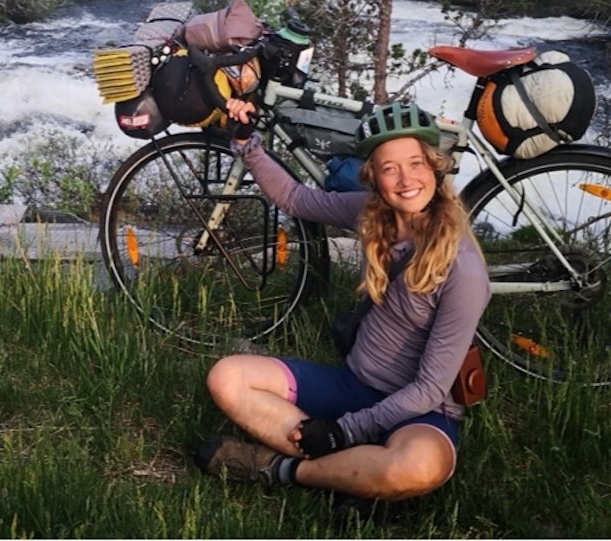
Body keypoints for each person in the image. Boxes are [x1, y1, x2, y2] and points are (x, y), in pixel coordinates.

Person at [194, 98, 491, 510]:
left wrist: (343, 431)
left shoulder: (464, 270)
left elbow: (430, 388)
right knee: (227, 377)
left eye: (416, 164)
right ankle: (356, 473)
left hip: (418, 411)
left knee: (417, 469)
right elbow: (295, 198)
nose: (406, 179)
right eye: (390, 168)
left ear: (435, 169)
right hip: (352, 385)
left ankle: (278, 468)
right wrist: (246, 142)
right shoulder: (371, 214)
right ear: (374, 177)